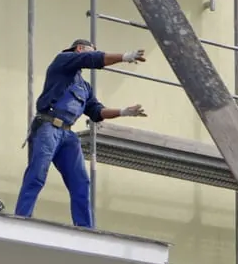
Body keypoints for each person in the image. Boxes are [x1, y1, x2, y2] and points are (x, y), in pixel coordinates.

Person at [14, 38, 148, 225]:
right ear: (79, 49)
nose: (93, 54)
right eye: (91, 51)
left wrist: (123, 112)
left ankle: (85, 228)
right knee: (37, 174)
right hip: (48, 126)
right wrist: (125, 57)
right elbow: (91, 59)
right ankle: (21, 218)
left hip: (67, 133)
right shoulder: (63, 60)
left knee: (81, 182)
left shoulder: (84, 87)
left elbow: (96, 111)